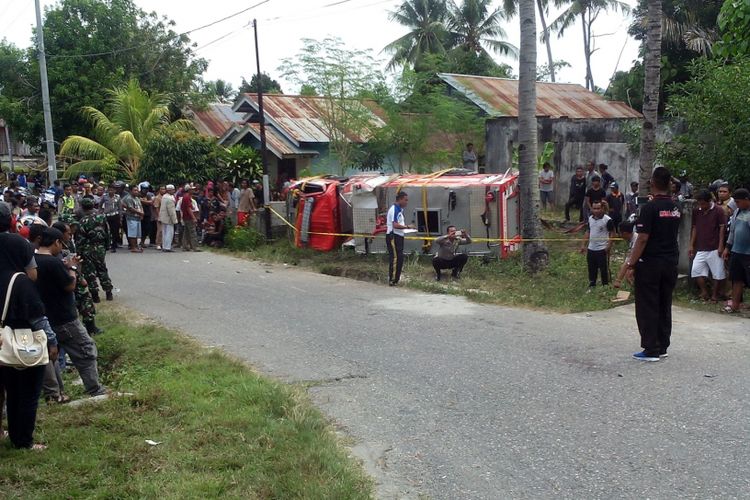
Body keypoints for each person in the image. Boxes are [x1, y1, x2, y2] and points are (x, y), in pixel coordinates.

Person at [0, 211, 58, 450]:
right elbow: (38, 318)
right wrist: (52, 343)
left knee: (9, 392)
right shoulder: (20, 281)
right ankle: (23, 440)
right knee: (27, 393)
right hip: (21, 344)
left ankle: (11, 434)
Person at [34, 227, 107, 396]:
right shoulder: (52, 262)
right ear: (56, 242)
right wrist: (72, 268)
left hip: (46, 317)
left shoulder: (34, 260)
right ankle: (95, 388)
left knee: (51, 356)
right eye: (62, 243)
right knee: (86, 350)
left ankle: (55, 393)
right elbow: (70, 285)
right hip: (64, 317)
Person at [626, 167, 681, 362]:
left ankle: (651, 349)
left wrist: (631, 264)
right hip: (670, 261)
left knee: (648, 305)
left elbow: (642, 239)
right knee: (664, 303)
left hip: (650, 263)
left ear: (653, 182)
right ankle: (662, 345)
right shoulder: (675, 207)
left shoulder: (649, 208)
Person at [689, 189, 727, 302]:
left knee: (718, 273)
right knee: (696, 270)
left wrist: (721, 245)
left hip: (714, 246)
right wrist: (691, 244)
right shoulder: (697, 211)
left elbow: (722, 228)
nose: (701, 205)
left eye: (703, 203)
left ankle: (715, 295)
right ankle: (704, 291)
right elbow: (694, 228)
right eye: (700, 203)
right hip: (701, 246)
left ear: (709, 201)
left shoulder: (718, 210)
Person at [77, 197, 114, 305]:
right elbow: (107, 232)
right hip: (100, 247)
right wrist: (107, 245)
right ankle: (109, 292)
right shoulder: (102, 217)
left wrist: (79, 252)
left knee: (90, 272)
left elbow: (80, 238)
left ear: (83, 208)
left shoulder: (83, 221)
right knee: (102, 269)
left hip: (88, 249)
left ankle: (95, 296)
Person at [722, 188, 750, 314]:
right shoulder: (738, 212)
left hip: (748, 253)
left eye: (738, 202)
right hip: (736, 251)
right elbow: (732, 231)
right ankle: (735, 305)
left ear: (746, 200)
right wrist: (727, 247)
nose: (736, 205)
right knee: (736, 279)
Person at [580, 201, 614, 288]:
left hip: (602, 248)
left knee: (603, 269)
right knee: (591, 268)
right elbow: (588, 232)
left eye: (598, 208)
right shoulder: (590, 218)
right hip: (591, 248)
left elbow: (613, 233)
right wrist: (583, 245)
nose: (596, 210)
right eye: (594, 208)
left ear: (602, 208)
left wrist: (609, 245)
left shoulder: (607, 220)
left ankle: (605, 285)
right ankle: (592, 284)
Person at [386, 192, 413, 286]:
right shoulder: (394, 209)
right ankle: (392, 279)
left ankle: (396, 279)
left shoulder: (399, 210)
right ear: (400, 199)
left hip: (399, 236)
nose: (406, 202)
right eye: (405, 200)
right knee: (395, 258)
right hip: (393, 236)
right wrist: (407, 226)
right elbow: (395, 225)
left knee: (400, 258)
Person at [121, 185, 144, 252]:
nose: (136, 192)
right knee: (132, 233)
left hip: (137, 217)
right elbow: (131, 208)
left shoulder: (137, 198)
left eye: (137, 190)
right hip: (131, 217)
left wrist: (142, 213)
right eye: (135, 190)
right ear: (130, 191)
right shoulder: (129, 198)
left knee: (136, 233)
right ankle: (133, 247)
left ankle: (136, 246)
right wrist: (140, 213)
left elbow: (140, 206)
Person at [176, 186, 199, 251]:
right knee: (192, 232)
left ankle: (185, 245)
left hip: (185, 217)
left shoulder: (185, 197)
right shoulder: (187, 197)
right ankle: (195, 247)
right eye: (192, 189)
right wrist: (193, 217)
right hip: (188, 217)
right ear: (189, 190)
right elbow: (188, 208)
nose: (194, 190)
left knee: (186, 232)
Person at [101, 183, 121, 252]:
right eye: (109, 190)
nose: (111, 192)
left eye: (112, 190)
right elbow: (100, 205)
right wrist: (100, 213)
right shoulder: (104, 196)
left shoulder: (118, 197)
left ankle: (114, 246)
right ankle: (106, 245)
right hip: (107, 215)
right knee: (106, 230)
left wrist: (120, 218)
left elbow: (120, 208)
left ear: (115, 190)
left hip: (115, 215)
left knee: (115, 231)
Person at [159, 184, 178, 252]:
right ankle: (167, 247)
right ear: (169, 190)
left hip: (163, 217)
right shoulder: (170, 198)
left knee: (164, 232)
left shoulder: (164, 196)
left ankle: (164, 246)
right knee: (169, 233)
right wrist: (174, 220)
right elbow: (171, 211)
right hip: (169, 218)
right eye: (173, 190)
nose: (174, 191)